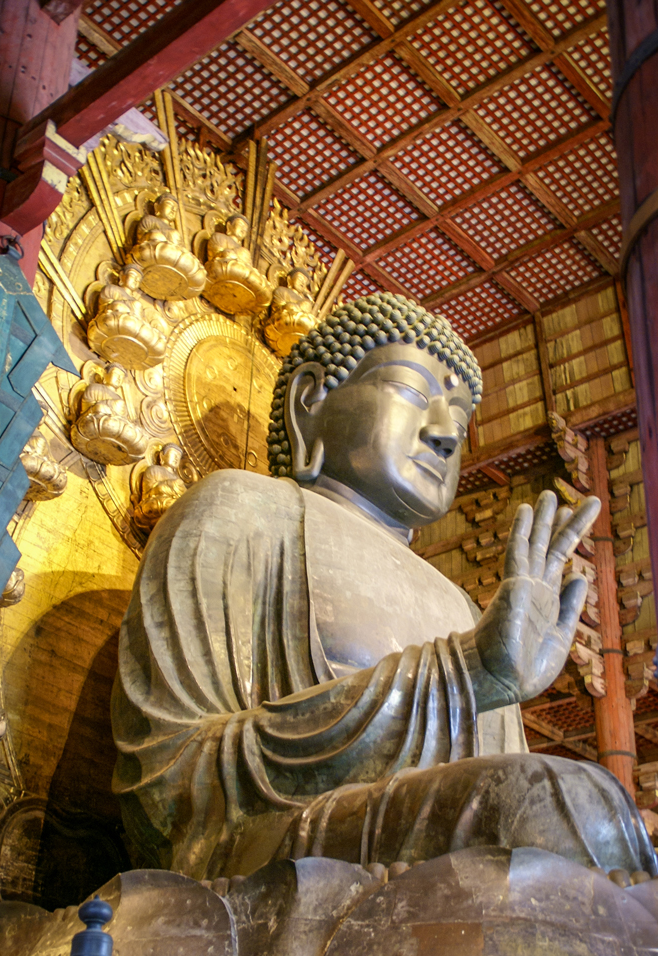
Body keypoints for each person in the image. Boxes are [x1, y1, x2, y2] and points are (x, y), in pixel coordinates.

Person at [113, 291, 655, 882]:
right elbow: (169, 779)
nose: (448, 434)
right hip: (274, 851)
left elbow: (489, 780)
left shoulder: (460, 606)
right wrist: (464, 673)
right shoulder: (242, 511)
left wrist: (488, 676)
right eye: (415, 391)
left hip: (439, 847)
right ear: (310, 401)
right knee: (554, 803)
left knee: (594, 822)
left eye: (460, 417)